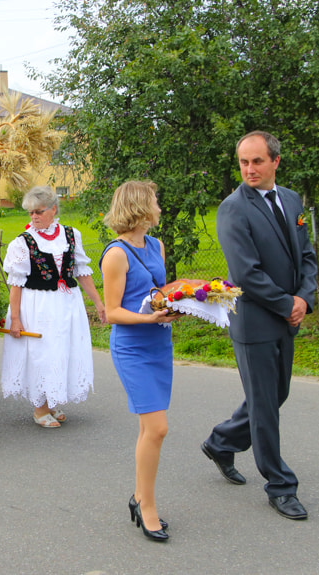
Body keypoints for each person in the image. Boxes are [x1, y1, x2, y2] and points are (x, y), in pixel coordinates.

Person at [200, 131, 318, 520]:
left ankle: (222, 441)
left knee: (275, 395)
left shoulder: (292, 199)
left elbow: (306, 254)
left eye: (257, 162)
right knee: (266, 406)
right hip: (255, 322)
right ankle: (280, 486)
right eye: (243, 163)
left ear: (275, 162)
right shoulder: (233, 208)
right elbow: (245, 273)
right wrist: (287, 304)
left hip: (288, 316)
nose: (249, 169)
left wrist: (303, 298)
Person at [100, 181, 176, 542]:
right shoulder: (116, 254)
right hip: (132, 346)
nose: (159, 206)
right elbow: (112, 312)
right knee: (158, 427)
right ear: (141, 206)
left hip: (159, 343)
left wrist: (179, 304)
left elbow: (156, 294)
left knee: (151, 429)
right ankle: (147, 507)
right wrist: (149, 319)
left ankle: (139, 497)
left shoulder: (156, 245)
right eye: (155, 201)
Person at [0, 186, 106, 428]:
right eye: (30, 213)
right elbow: (15, 283)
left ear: (53, 209)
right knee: (42, 351)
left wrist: (99, 302)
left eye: (39, 212)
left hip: (67, 303)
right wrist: (15, 318)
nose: (34, 217)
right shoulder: (22, 242)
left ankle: (52, 398)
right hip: (37, 305)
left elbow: (81, 271)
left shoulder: (70, 235)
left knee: (63, 348)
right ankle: (40, 408)